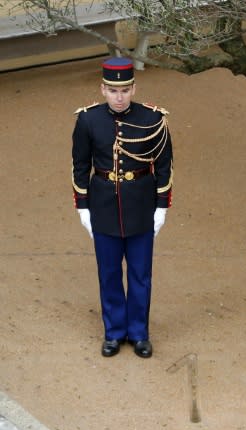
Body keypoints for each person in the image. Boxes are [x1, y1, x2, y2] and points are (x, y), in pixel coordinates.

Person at [72, 57, 173, 358]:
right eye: (113, 90)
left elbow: (165, 166)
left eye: (125, 90)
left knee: (141, 274)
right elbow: (80, 166)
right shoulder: (88, 120)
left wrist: (161, 207)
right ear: (103, 89)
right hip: (103, 207)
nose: (119, 97)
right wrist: (83, 207)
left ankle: (139, 333)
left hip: (141, 206)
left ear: (133, 89)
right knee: (109, 274)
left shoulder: (152, 119)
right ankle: (114, 332)